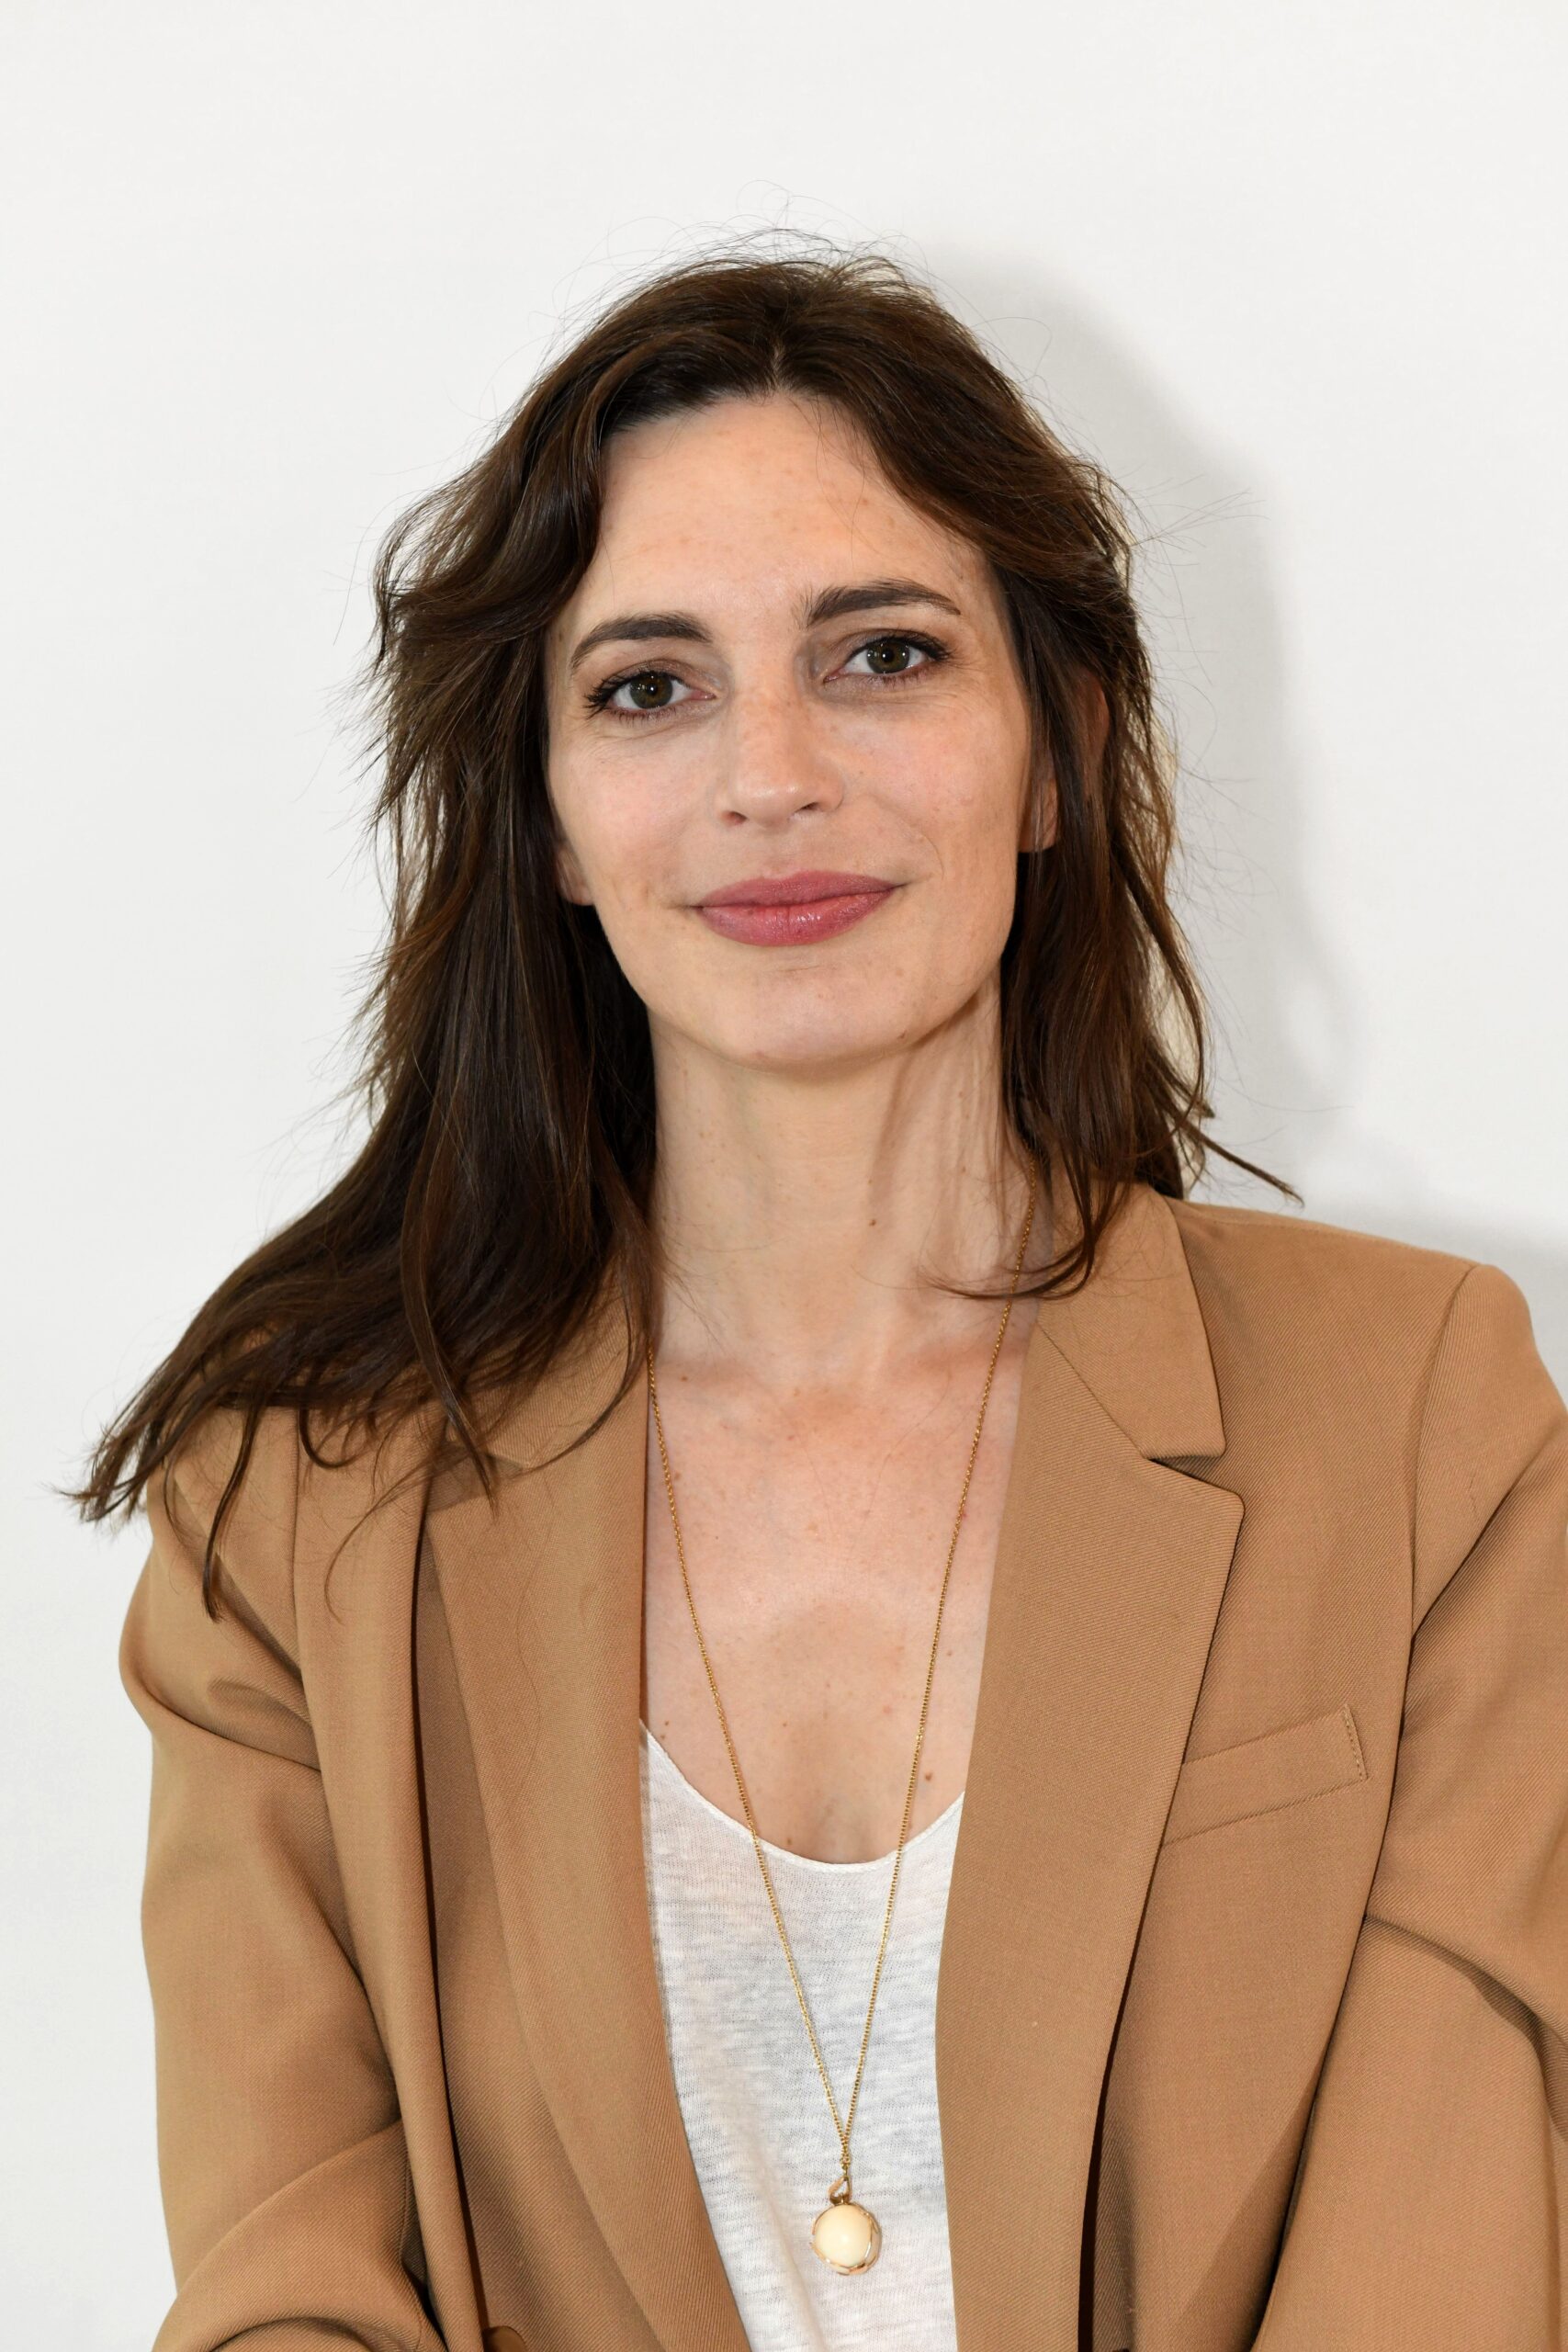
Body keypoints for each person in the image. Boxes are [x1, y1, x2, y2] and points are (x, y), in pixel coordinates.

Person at [75, 243, 1568, 2352]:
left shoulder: (1424, 1417)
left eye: (879, 655)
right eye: (647, 686)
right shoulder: (288, 1499)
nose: (768, 771)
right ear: (552, 823)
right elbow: (285, 2277)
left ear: (1052, 753)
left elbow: (1440, 2247)